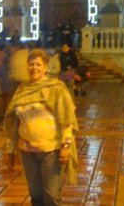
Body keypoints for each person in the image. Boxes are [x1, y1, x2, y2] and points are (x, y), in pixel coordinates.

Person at [4, 49, 78, 206]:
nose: (34, 68)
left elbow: (66, 121)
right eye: (31, 64)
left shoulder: (55, 88)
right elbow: (14, 123)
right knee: (36, 196)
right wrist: (10, 149)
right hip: (27, 151)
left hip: (50, 152)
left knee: (51, 196)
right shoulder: (22, 90)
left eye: (38, 64)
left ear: (45, 67)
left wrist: (66, 146)